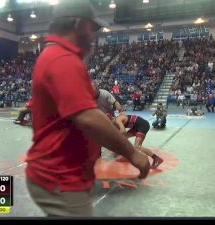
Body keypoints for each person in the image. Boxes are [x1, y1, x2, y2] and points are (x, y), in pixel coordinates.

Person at [25, 0, 150, 217]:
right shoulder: (62, 59)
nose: (93, 37)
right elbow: (89, 118)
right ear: (78, 25)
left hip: (63, 175)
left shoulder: (58, 56)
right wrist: (132, 153)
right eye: (91, 29)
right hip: (60, 177)